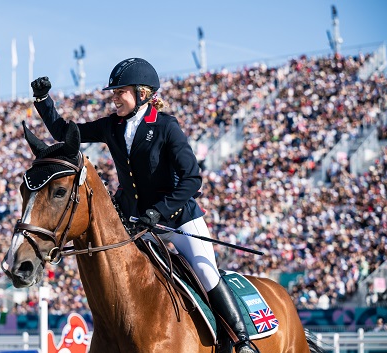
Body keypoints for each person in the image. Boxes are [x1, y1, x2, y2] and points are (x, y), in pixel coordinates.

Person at [31, 57, 257, 353]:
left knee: (206, 274)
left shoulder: (166, 127)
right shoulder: (111, 126)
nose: (114, 99)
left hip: (177, 220)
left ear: (143, 93)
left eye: (119, 92)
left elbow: (192, 180)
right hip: (138, 225)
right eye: (113, 93)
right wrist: (43, 100)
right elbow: (64, 133)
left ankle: (242, 341)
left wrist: (159, 211)